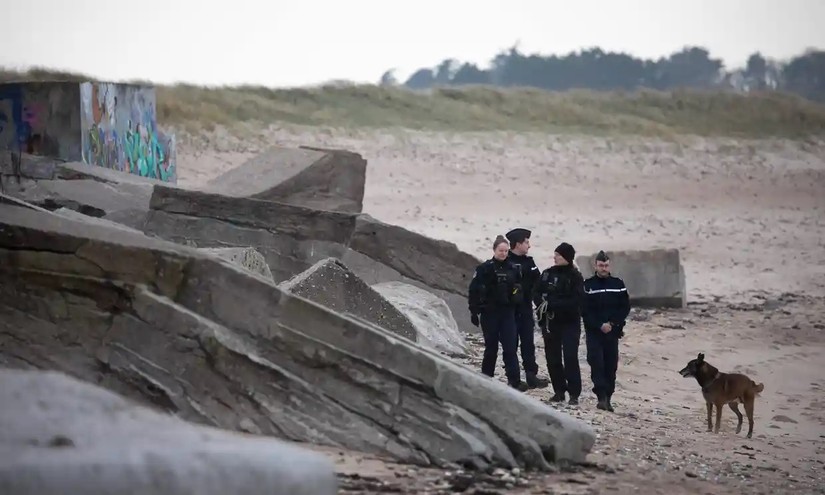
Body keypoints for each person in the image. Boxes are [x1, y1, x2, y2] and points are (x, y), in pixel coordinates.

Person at [468, 235, 529, 391]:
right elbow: (473, 291)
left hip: (508, 313)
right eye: (500, 250)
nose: (503, 253)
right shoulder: (484, 269)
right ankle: (486, 377)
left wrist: (519, 308)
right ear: (494, 250)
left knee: (510, 347)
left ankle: (514, 380)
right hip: (489, 313)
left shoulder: (514, 269)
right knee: (491, 347)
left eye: (506, 251)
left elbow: (520, 291)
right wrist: (474, 311)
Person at [533, 242, 585, 405]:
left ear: (567, 258)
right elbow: (536, 291)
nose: (555, 258)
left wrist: (553, 304)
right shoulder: (547, 274)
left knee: (570, 357)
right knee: (552, 358)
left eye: (558, 255)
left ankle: (574, 393)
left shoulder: (575, 277)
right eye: (555, 254)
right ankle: (559, 391)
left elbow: (577, 300)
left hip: (570, 322)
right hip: (550, 322)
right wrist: (542, 304)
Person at [582, 250, 631, 412]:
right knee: (596, 363)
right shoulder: (588, 285)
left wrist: (613, 323)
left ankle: (608, 398)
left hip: (612, 332)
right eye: (601, 265)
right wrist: (598, 325)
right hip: (594, 332)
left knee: (611, 366)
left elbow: (624, 307)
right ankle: (601, 396)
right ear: (595, 266)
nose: (604, 268)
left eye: (606, 265)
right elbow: (585, 310)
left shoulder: (617, 284)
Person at [505, 228, 549, 389]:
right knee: (511, 345)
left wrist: (542, 306)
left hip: (525, 309)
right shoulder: (505, 261)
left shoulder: (529, 262)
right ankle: (513, 378)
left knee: (528, 343)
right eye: (526, 242)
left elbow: (538, 285)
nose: (529, 246)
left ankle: (531, 376)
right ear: (518, 244)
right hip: (509, 311)